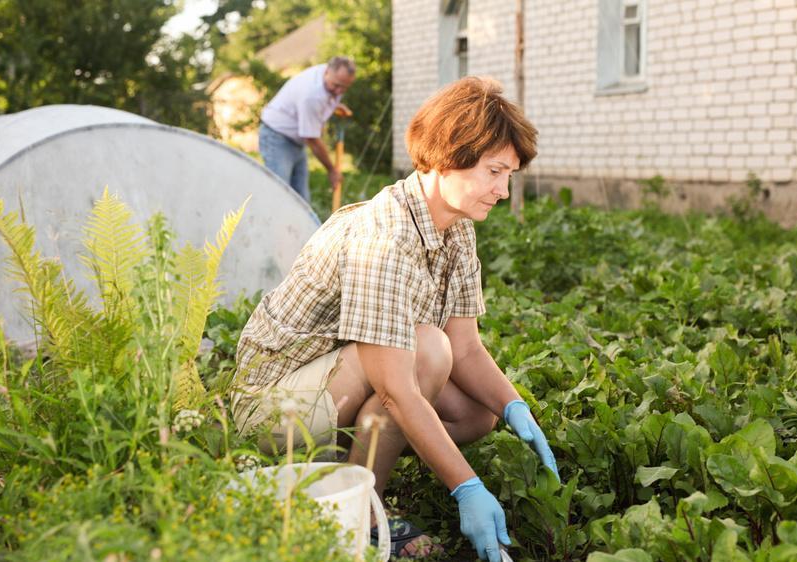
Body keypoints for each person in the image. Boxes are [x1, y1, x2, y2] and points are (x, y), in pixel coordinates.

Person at [233, 77, 559, 562]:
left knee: (476, 413)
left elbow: (466, 348)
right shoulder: (381, 237)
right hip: (275, 405)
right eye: (494, 171)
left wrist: (516, 408)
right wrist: (465, 486)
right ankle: (361, 516)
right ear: (449, 155)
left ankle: (342, 472)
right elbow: (395, 389)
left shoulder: (457, 230)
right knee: (426, 350)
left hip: (338, 385)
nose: (502, 190)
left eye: (508, 175)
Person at [258, 56, 355, 202]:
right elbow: (312, 139)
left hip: (296, 140)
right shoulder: (311, 95)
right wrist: (332, 170)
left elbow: (327, 97)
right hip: (276, 138)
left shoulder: (328, 77)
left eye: (344, 88)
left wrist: (333, 105)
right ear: (328, 71)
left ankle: (299, 225)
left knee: (301, 199)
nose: (339, 91)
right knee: (279, 194)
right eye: (336, 85)